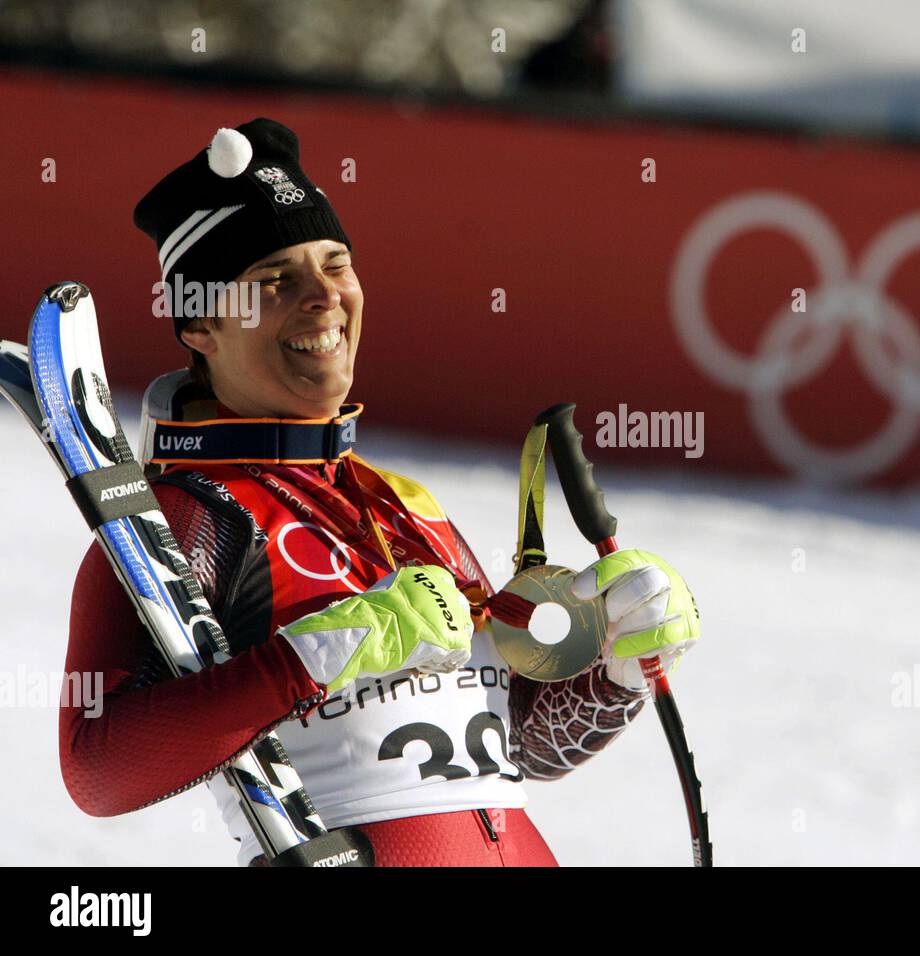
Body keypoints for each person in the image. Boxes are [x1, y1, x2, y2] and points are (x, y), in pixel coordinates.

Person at [60, 118, 700, 866]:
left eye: (336, 264)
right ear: (200, 325)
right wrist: (318, 654)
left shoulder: (402, 502)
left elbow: (512, 746)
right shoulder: (188, 517)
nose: (324, 299)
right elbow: (97, 768)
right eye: (275, 280)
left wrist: (616, 665)